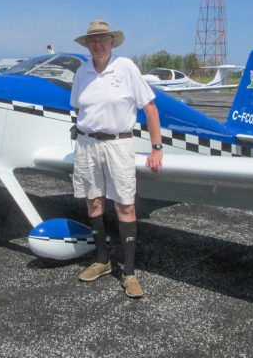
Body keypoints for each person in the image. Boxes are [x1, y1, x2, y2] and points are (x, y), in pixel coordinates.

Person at [70, 20, 163, 298]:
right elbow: (79, 108)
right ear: (87, 45)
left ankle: (130, 273)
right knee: (93, 201)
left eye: (103, 39)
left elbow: (150, 107)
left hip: (118, 144)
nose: (97, 45)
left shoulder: (126, 67)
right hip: (86, 143)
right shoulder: (82, 72)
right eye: (92, 40)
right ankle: (102, 261)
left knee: (125, 205)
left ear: (112, 42)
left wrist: (157, 147)